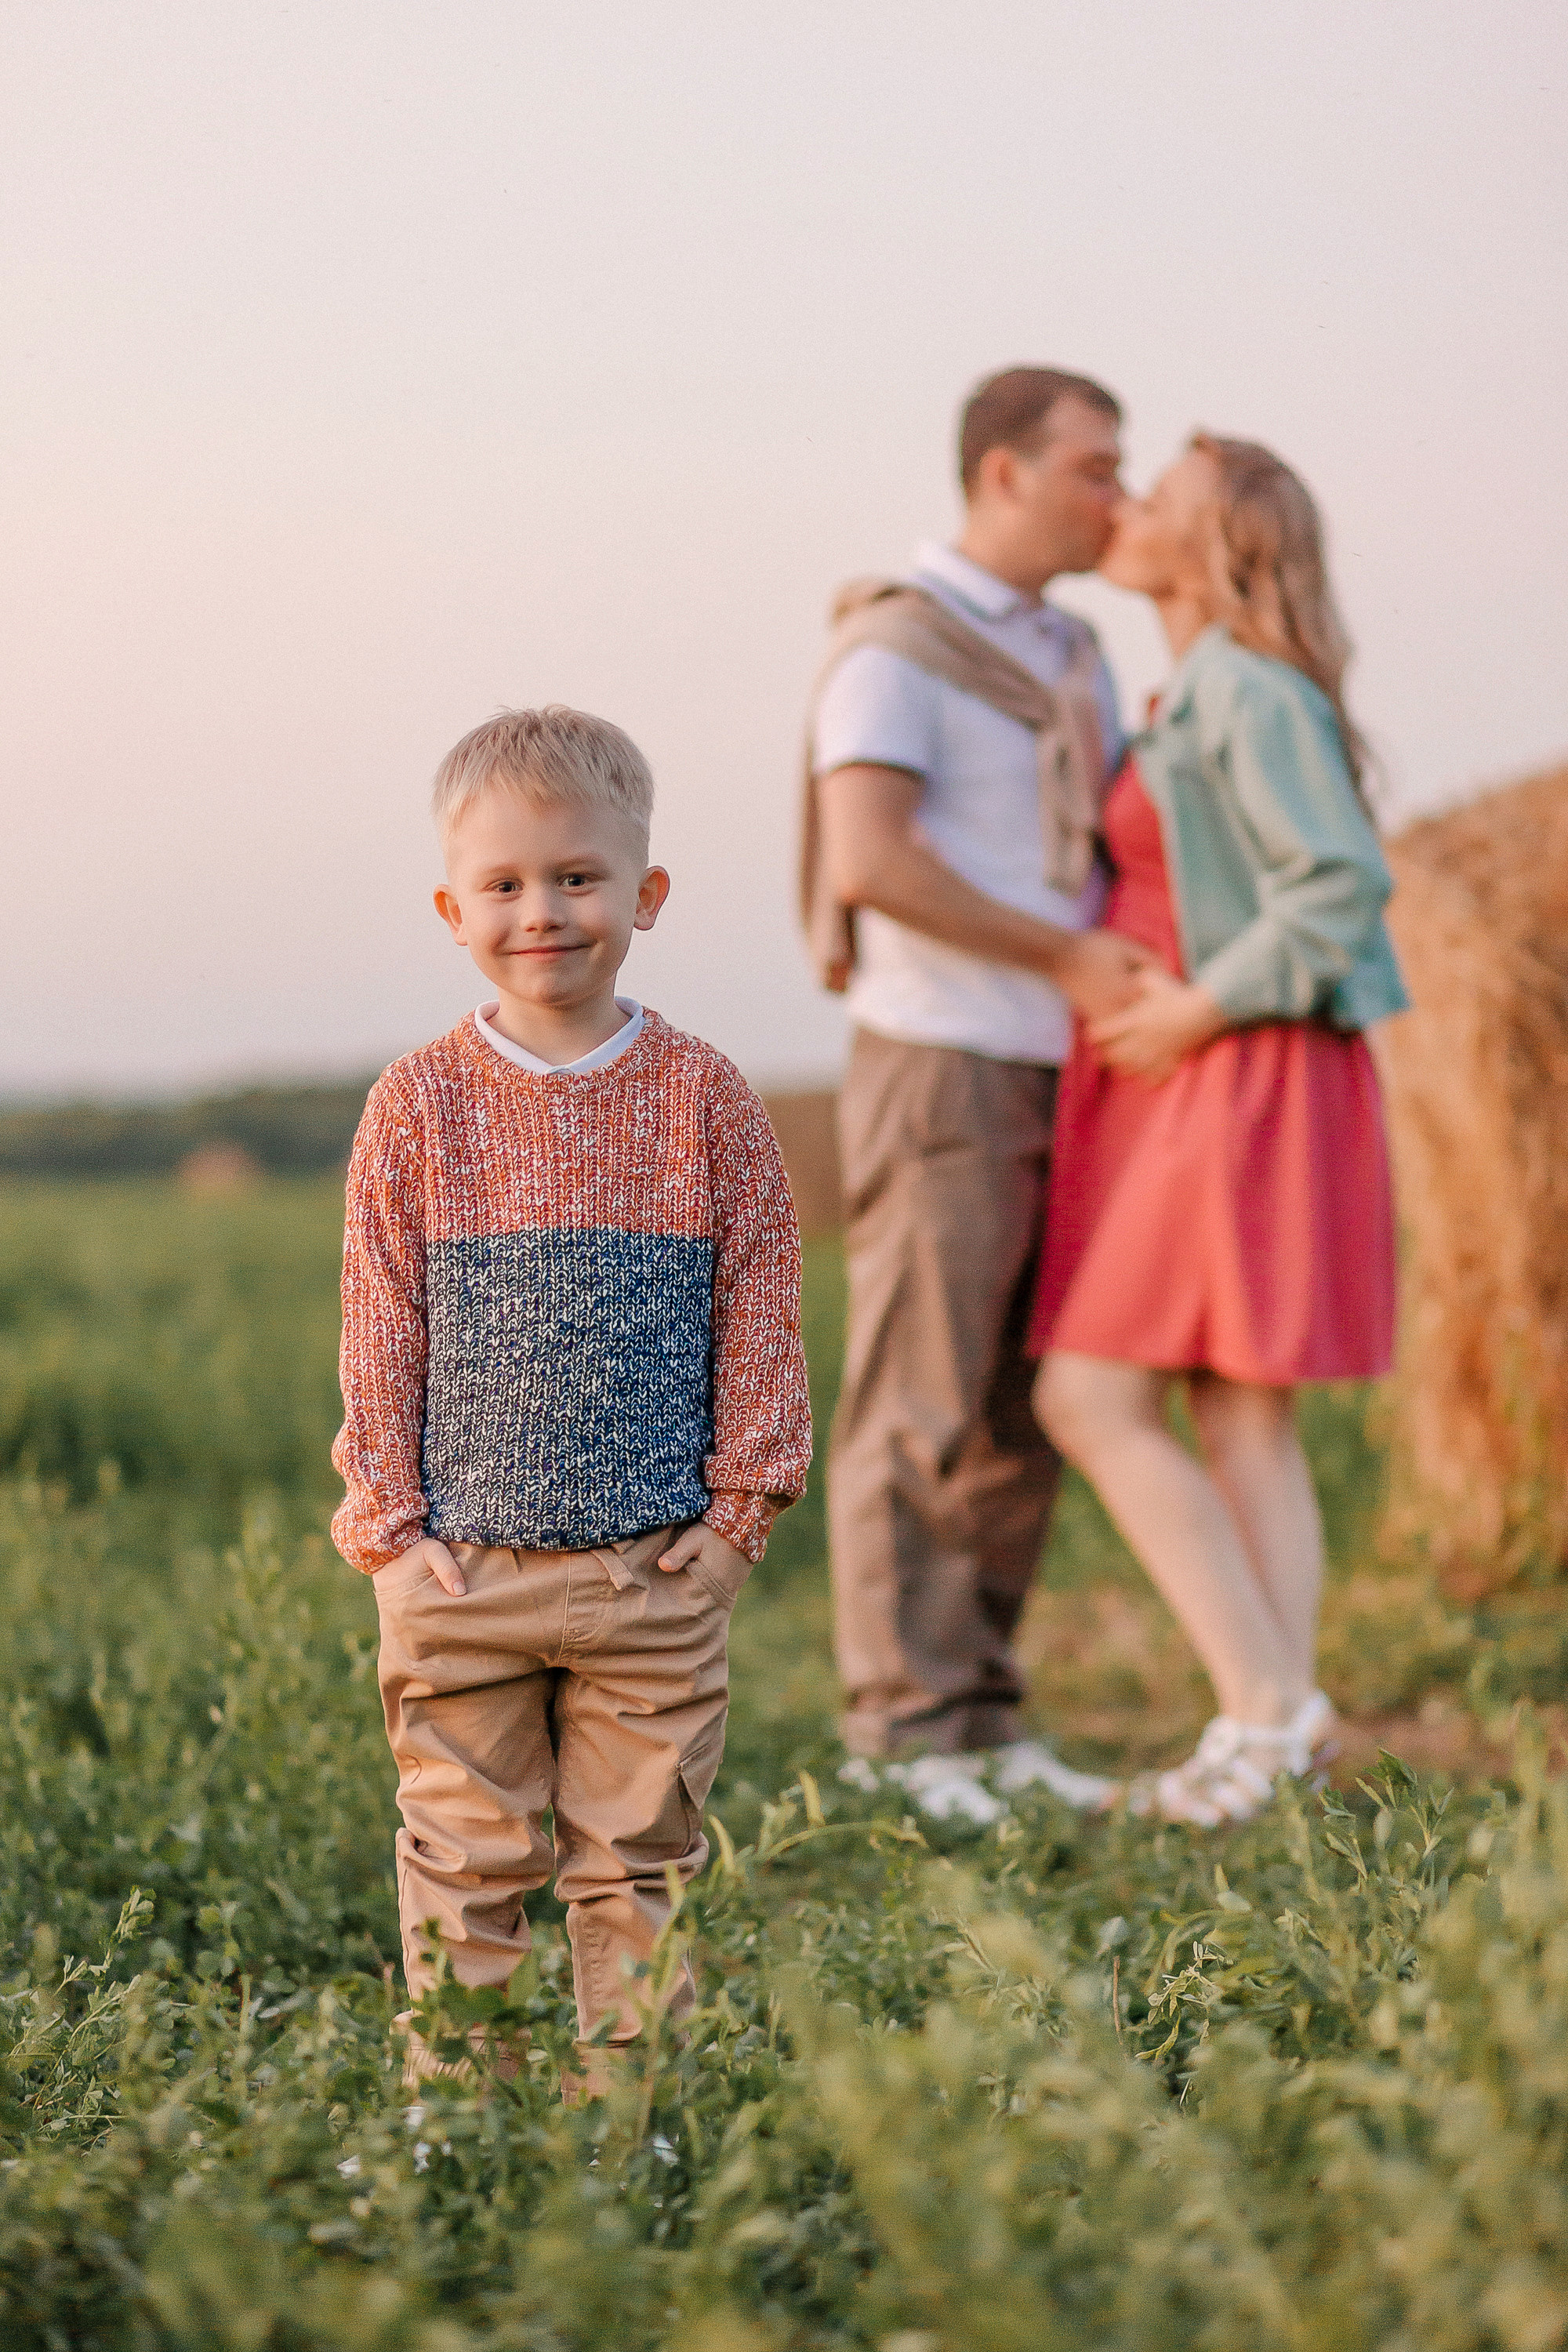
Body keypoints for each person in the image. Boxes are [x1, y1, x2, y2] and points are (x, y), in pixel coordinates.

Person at [331, 706, 811, 2083]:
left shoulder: (704, 1098)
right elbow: (380, 1320)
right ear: (452, 908)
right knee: (465, 1858)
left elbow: (761, 1306)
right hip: (462, 1572)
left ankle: (633, 2118)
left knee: (638, 1864)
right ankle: (458, 2118)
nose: (542, 911)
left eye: (578, 878)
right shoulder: (419, 1104)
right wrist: (391, 1533)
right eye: (504, 885)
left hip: (650, 1574)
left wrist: (737, 1522)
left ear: (645, 896)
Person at [1029, 434, 1408, 1828]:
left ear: (1217, 544)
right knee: (1239, 1407)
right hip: (1209, 1070)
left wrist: (1194, 1011)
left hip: (1236, 1066)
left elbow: (1339, 887)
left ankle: (1268, 1707)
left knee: (1090, 1392)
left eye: (1156, 499)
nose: (1125, 509)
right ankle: (1275, 1743)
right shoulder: (1192, 688)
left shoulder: (1247, 686)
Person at [804, 366, 1152, 1821]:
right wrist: (1068, 955)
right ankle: (899, 1739)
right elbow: (872, 861)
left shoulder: (1076, 650)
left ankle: (983, 1720)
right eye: (1092, 468)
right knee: (919, 1400)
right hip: (943, 1058)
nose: (1116, 498)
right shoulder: (896, 649)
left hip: (1065, 1069)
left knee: (1022, 1403)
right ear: (1001, 474)